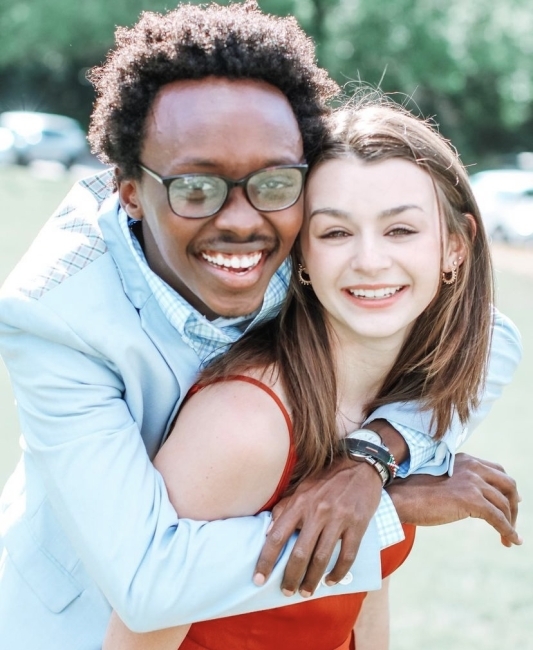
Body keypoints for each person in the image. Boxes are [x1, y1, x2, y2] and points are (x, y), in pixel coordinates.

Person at [0, 3, 521, 649]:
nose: (242, 221)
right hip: (81, 616)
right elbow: (145, 584)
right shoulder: (53, 317)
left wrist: (369, 460)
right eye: (196, 188)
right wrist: (394, 508)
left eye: (273, 183)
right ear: (129, 190)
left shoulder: (314, 244)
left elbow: (480, 338)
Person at [101, 97, 522, 650]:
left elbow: (363, 599)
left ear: (455, 248)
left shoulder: (401, 397)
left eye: (400, 231)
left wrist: (372, 473)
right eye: (335, 233)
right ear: (302, 254)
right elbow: (139, 631)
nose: (370, 261)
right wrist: (396, 506)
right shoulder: (246, 424)